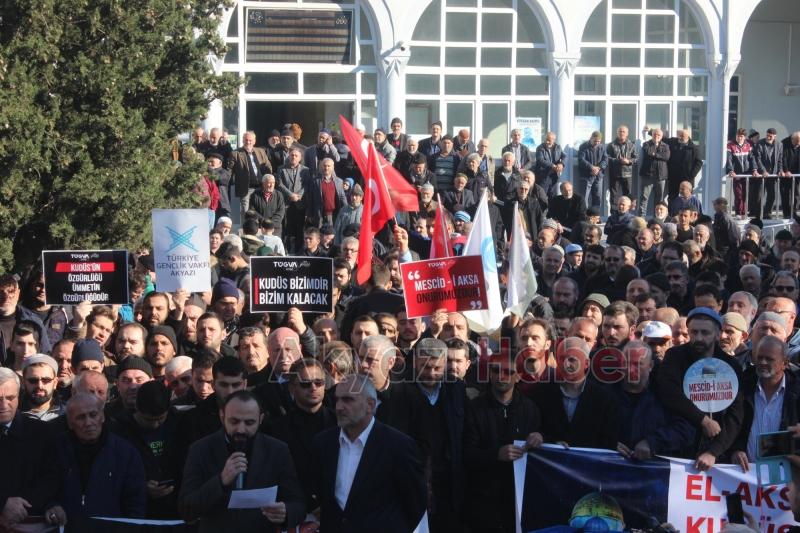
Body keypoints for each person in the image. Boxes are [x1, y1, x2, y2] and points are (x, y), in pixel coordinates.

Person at [312, 374, 427, 533]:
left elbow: (415, 504)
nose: (339, 407)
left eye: (348, 400)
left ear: (370, 405)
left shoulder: (398, 446)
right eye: (337, 399)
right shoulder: (323, 443)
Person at [179, 390, 306, 532]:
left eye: (249, 422)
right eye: (234, 421)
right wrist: (220, 481)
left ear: (260, 419)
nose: (241, 429)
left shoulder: (277, 450)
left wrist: (285, 512)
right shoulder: (200, 449)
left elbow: (298, 504)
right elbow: (186, 509)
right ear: (222, 416)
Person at [657, 308, 744, 470]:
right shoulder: (675, 356)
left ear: (718, 334)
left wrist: (714, 451)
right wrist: (703, 420)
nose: (698, 338)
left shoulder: (730, 365)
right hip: (678, 447)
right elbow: (669, 392)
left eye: (705, 333)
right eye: (694, 332)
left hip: (717, 452)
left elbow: (735, 415)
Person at [56, 393, 146, 530]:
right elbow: (47, 487)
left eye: (93, 415)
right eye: (80, 417)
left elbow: (135, 501)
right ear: (70, 423)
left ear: (102, 416)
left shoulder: (125, 452)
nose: (88, 422)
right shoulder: (57, 449)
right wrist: (52, 505)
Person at [269, 358, 337, 511]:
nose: (313, 388)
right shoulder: (278, 428)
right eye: (306, 384)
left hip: (334, 505)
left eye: (319, 382)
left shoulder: (340, 423)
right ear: (292, 388)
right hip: (296, 506)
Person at [0, 368, 64, 529]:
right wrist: (3, 503)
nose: (4, 405)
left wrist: (22, 506)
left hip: (32, 519)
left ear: (19, 396)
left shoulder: (42, 432)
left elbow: (51, 478)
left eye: (10, 398)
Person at [229, 130, 271, 223]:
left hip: (261, 187)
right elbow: (230, 170)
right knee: (246, 211)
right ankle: (246, 229)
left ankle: (260, 228)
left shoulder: (261, 151)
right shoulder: (236, 153)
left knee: (260, 210)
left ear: (254, 141)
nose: (248, 142)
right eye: (246, 140)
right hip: (246, 188)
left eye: (250, 140)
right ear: (242, 140)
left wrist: (268, 178)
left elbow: (268, 166)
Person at [277, 146, 312, 253]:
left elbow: (307, 185)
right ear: (288, 156)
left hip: (300, 203)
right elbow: (280, 184)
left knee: (299, 229)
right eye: (292, 155)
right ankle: (285, 250)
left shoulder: (306, 170)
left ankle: (299, 251)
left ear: (300, 158)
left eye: (296, 155)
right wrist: (290, 195)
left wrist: (298, 195)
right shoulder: (281, 169)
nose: (294, 157)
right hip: (286, 203)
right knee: (286, 228)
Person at [638, 128, 670, 217]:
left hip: (661, 176)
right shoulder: (646, 144)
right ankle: (641, 219)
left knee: (659, 200)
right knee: (644, 198)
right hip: (647, 176)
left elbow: (666, 157)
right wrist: (659, 155)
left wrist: (654, 154)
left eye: (658, 135)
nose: (656, 136)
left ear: (662, 136)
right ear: (651, 135)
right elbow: (648, 152)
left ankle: (657, 219)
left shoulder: (666, 146)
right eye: (654, 134)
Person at [727, 128, 758, 217]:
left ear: (744, 137)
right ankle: (738, 213)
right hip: (737, 174)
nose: (739, 138)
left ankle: (744, 213)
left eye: (741, 136)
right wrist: (731, 170)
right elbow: (729, 159)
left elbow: (752, 158)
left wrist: (754, 170)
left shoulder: (748, 145)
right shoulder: (730, 145)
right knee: (738, 195)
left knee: (745, 194)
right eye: (738, 136)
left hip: (747, 174)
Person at [665, 129, 703, 203]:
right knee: (672, 197)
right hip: (673, 177)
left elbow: (699, 162)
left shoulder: (694, 148)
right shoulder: (673, 141)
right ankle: (672, 210)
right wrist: (650, 131)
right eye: (679, 135)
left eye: (683, 136)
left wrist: (691, 175)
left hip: (687, 178)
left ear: (688, 136)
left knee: (687, 197)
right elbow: (663, 138)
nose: (680, 137)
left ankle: (687, 210)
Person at [753, 127, 783, 218]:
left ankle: (767, 212)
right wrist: (763, 171)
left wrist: (780, 170)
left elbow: (780, 160)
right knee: (759, 196)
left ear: (775, 136)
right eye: (767, 135)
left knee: (772, 195)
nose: (768, 137)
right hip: (762, 175)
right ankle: (758, 214)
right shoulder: (760, 143)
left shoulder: (779, 145)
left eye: (770, 136)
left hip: (773, 175)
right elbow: (758, 159)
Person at [606, 125, 638, 212]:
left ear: (627, 134)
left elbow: (636, 158)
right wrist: (618, 161)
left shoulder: (632, 145)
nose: (622, 133)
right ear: (617, 133)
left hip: (627, 174)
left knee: (627, 195)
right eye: (620, 131)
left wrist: (628, 161)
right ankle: (614, 214)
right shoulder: (611, 145)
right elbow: (607, 158)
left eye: (624, 132)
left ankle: (626, 214)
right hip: (614, 173)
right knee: (614, 195)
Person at [577, 131, 607, 211]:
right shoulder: (583, 146)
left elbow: (605, 160)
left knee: (597, 197)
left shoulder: (602, 147)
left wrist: (598, 168)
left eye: (599, 141)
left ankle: (595, 215)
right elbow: (581, 160)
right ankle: (584, 215)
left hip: (598, 176)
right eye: (595, 141)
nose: (597, 143)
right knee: (584, 198)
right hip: (586, 176)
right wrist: (591, 167)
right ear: (591, 138)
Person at [534, 131, 566, 198]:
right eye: (546, 139)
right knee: (542, 196)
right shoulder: (540, 148)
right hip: (543, 176)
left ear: (554, 140)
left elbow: (564, 156)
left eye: (549, 140)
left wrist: (561, 164)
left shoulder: (558, 147)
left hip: (554, 175)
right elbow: (540, 160)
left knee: (552, 196)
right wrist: (552, 166)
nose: (547, 142)